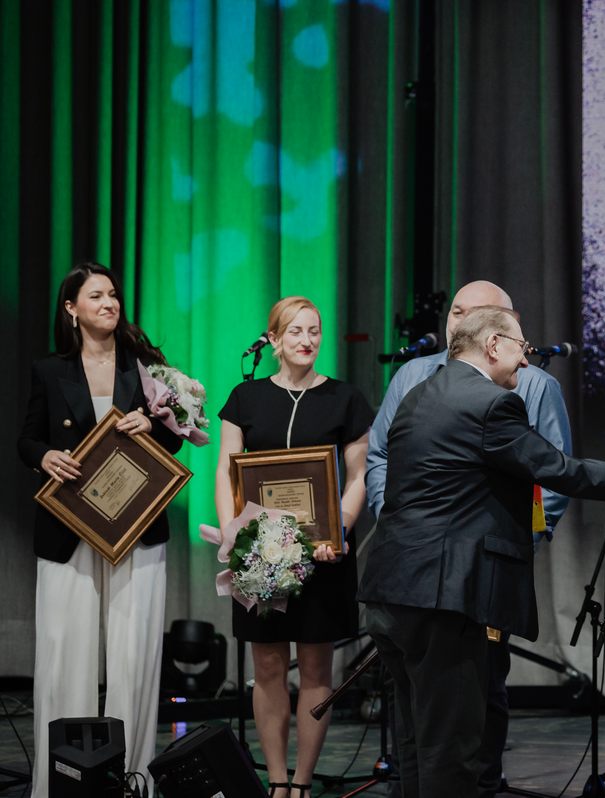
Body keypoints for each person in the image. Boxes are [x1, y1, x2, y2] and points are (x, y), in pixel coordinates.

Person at [359, 305, 605, 797]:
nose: (526, 360)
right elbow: (559, 470)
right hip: (445, 599)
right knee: (452, 753)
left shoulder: (418, 394)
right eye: (521, 347)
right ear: (493, 345)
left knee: (416, 744)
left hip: (390, 593)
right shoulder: (491, 403)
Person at [365, 280, 570, 797]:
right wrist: (402, 515)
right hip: (420, 576)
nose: (458, 322)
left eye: (472, 314)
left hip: (485, 569)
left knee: (481, 694)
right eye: (455, 311)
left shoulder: (533, 384)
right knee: (429, 724)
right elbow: (381, 456)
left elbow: (553, 476)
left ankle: (483, 784)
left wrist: (513, 546)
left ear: (502, 329)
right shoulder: (413, 376)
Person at [17, 262, 183, 797]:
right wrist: (44, 457)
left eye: (112, 294)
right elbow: (27, 439)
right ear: (71, 308)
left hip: (137, 526)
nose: (109, 303)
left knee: (134, 656)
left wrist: (154, 424)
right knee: (66, 652)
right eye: (96, 296)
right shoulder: (49, 370)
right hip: (69, 527)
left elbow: (178, 439)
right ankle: (62, 783)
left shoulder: (147, 367)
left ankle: (133, 781)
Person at [214, 296, 373, 798]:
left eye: (314, 331)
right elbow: (226, 471)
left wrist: (339, 531)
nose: (307, 340)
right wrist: (234, 535)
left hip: (323, 558)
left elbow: (359, 476)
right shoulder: (244, 397)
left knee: (315, 667)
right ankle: (277, 780)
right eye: (296, 331)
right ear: (274, 340)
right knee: (266, 667)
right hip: (259, 556)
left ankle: (302, 783)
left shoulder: (346, 398)